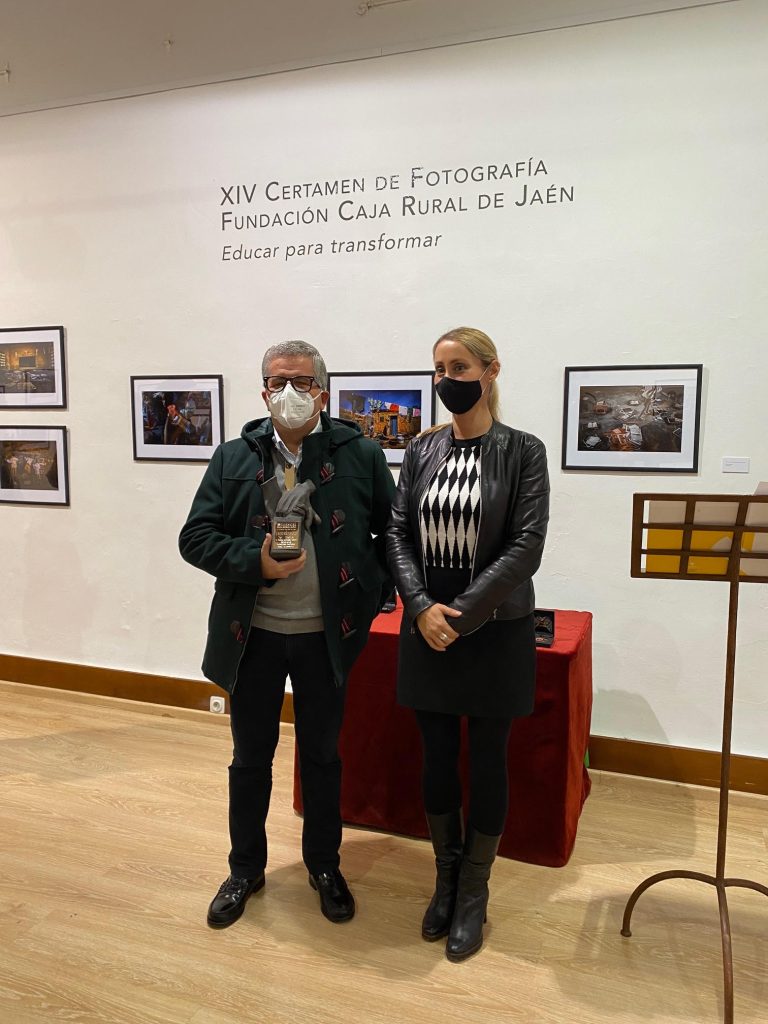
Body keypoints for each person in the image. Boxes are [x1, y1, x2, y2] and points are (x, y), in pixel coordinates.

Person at [179, 340, 395, 930]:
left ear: (322, 393)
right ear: (263, 391)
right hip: (253, 636)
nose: (289, 392)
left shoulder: (359, 453)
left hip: (327, 637)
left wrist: (371, 592)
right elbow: (194, 538)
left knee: (323, 756)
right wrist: (254, 561)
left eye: (301, 381)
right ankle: (244, 869)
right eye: (278, 382)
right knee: (250, 758)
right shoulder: (233, 457)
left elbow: (391, 532)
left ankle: (324, 866)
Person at [386, 326, 549, 962]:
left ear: (490, 371)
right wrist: (420, 606)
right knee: (435, 756)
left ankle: (475, 890)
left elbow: (526, 545)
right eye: (439, 369)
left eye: (458, 367)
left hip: (495, 627)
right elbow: (397, 532)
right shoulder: (421, 449)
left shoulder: (523, 450)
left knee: (487, 758)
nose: (446, 379)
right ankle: (446, 877)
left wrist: (463, 612)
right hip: (427, 626)